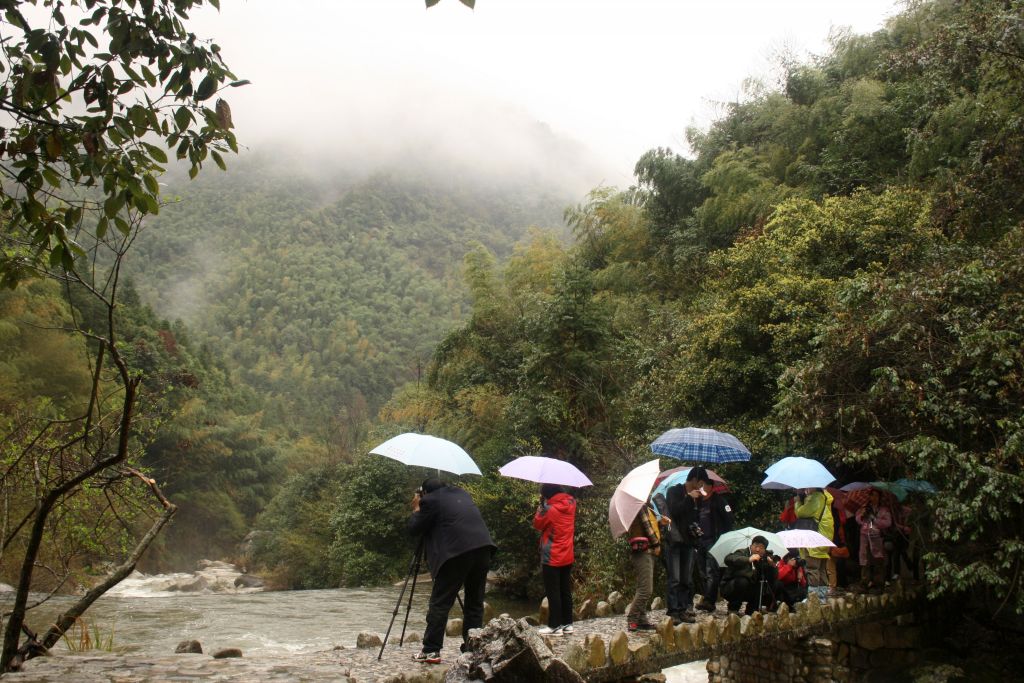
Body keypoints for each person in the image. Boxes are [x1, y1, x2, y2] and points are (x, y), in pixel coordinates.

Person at [408, 478, 496, 664]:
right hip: (483, 549)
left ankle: (431, 650)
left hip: (456, 554)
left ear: (425, 492)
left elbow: (414, 528)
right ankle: (472, 648)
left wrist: (417, 508)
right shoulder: (462, 494)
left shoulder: (430, 501)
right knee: (474, 602)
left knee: (440, 602)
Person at [532, 483, 576, 636]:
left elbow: (537, 523)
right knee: (565, 590)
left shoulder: (549, 510)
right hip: (567, 553)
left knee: (553, 592)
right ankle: (567, 623)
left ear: (547, 495)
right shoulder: (571, 504)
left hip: (551, 555)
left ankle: (555, 625)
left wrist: (541, 507)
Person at [691, 472, 734, 613]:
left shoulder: (719, 501)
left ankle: (709, 601)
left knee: (711, 571)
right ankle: (707, 597)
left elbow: (729, 520)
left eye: (703, 484)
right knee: (702, 571)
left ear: (710, 486)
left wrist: (724, 539)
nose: (701, 487)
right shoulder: (698, 502)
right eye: (700, 484)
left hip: (714, 540)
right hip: (700, 541)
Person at [720, 536, 780, 614]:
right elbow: (728, 559)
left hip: (749, 589)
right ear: (751, 546)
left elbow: (772, 578)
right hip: (731, 587)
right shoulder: (742, 552)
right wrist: (748, 559)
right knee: (743, 581)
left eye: (761, 548)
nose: (758, 549)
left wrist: (772, 566)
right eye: (756, 546)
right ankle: (733, 608)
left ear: (765, 550)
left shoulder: (764, 558)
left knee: (762, 583)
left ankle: (752, 610)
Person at [794, 487, 835, 600]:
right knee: (821, 568)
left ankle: (813, 598)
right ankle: (821, 597)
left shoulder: (816, 498)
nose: (806, 488)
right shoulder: (825, 497)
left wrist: (798, 501)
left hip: (815, 538)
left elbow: (801, 513)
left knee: (812, 568)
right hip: (823, 537)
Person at [625, 502, 661, 632]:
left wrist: (661, 523)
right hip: (644, 551)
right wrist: (656, 543)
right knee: (646, 589)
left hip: (643, 551)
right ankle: (632, 618)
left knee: (642, 587)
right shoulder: (640, 505)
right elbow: (647, 526)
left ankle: (642, 619)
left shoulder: (639, 506)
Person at [855, 489, 891, 594]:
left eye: (875, 495)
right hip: (865, 536)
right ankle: (864, 583)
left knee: (878, 559)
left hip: (877, 537)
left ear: (879, 497)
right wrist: (863, 515)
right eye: (872, 495)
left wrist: (874, 519)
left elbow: (888, 523)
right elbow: (858, 519)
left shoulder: (884, 510)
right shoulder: (865, 508)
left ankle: (878, 584)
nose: (873, 498)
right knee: (865, 559)